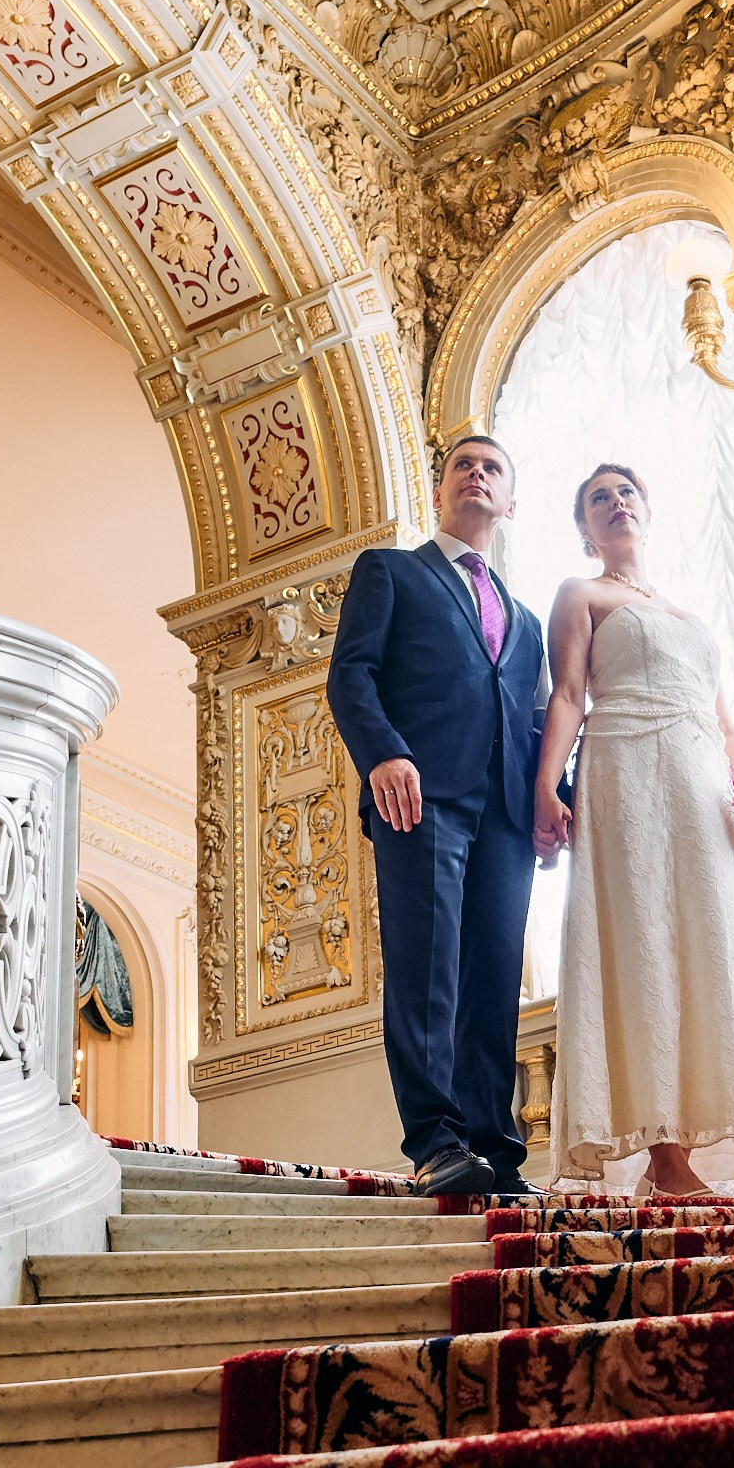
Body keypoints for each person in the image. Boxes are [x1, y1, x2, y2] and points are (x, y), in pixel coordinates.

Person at [536, 461, 734, 1196]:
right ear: (585, 526)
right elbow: (567, 693)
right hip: (626, 775)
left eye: (626, 492)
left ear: (646, 511)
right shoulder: (582, 595)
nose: (616, 503)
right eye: (598, 498)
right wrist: (545, 785)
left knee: (714, 945)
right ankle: (661, 1152)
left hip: (703, 792)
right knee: (643, 942)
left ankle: (714, 1124)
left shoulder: (692, 619)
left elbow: (723, 723)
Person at [326, 432, 547, 1197]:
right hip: (418, 797)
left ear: (509, 502)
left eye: (492, 468)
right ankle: (435, 1142)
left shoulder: (527, 622)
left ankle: (496, 1146)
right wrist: (384, 752)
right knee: (427, 972)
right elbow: (351, 673)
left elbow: (533, 720)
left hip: (507, 815)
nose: (476, 475)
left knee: (491, 978)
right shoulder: (390, 572)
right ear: (441, 491)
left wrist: (554, 796)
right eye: (463, 466)